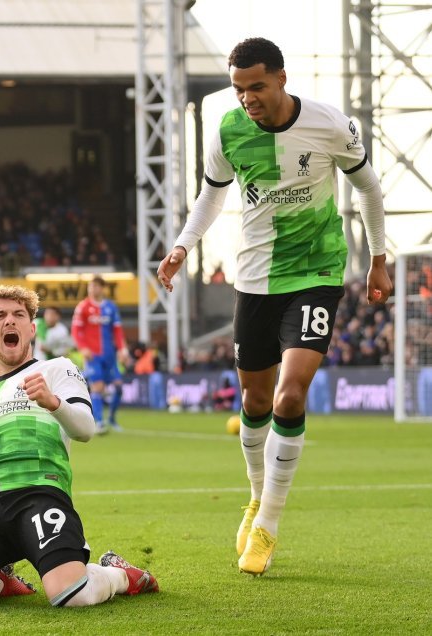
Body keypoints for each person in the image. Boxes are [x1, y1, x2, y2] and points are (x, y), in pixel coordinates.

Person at [157, 38, 392, 575]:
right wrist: (182, 246)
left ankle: (269, 525)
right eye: (239, 89)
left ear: (282, 78)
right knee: (255, 400)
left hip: (315, 273)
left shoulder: (330, 124)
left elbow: (369, 189)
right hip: (255, 280)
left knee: (289, 396)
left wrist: (378, 259)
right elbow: (212, 194)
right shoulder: (228, 131)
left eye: (256, 87)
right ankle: (256, 497)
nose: (247, 99)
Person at [0, 283, 159, 607]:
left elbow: (86, 429)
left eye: (18, 315)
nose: (10, 321)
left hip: (38, 494)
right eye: (0, 316)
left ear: (31, 328)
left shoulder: (56, 369)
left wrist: (53, 403)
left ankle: (119, 574)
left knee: (70, 595)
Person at [70, 276, 130, 433]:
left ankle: (111, 419)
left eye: (96, 286)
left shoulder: (110, 307)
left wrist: (122, 350)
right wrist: (83, 348)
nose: (92, 289)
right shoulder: (83, 307)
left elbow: (117, 331)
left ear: (102, 288)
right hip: (93, 356)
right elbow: (76, 331)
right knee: (97, 387)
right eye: (90, 286)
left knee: (118, 388)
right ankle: (99, 421)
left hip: (109, 355)